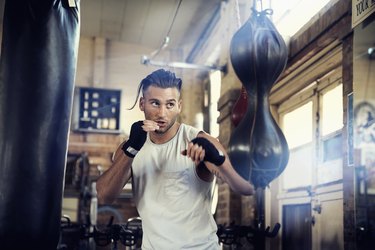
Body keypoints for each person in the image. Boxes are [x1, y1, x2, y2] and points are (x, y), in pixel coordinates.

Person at [96, 69, 254, 249]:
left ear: (179, 105)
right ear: (142, 104)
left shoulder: (199, 141)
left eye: (170, 104)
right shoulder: (131, 146)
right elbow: (104, 195)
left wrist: (219, 160)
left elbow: (247, 187)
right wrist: (131, 148)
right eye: (155, 103)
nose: (162, 113)